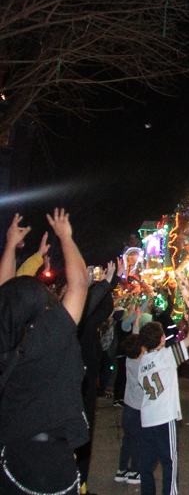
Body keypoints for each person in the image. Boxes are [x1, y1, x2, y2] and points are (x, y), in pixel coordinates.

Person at [0, 210, 91, 495]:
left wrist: (10, 245)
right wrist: (66, 236)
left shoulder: (6, 340)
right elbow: (80, 284)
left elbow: (6, 294)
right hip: (53, 464)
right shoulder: (52, 336)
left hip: (10, 460)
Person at [137, 272, 189, 495]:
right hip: (164, 420)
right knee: (169, 464)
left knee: (146, 468)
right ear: (162, 339)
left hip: (146, 420)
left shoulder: (142, 360)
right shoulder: (166, 357)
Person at [75, 260, 119, 495]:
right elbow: (90, 307)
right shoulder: (70, 320)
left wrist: (109, 283)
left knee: (85, 436)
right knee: (77, 436)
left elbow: (102, 309)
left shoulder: (87, 322)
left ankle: (80, 484)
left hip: (87, 382)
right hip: (75, 386)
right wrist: (103, 284)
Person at [115, 333, 144, 485]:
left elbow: (134, 336)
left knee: (127, 440)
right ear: (140, 349)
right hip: (138, 410)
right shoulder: (142, 366)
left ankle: (122, 470)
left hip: (128, 408)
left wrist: (137, 320)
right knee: (138, 442)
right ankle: (135, 471)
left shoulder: (129, 360)